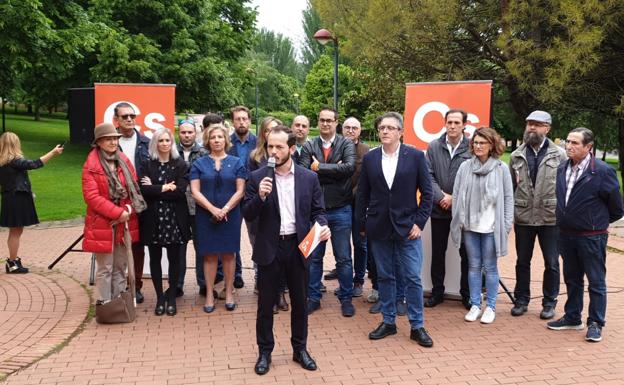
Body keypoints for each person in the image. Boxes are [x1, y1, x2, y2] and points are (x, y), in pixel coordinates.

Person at [242, 125, 330, 375]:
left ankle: (299, 349)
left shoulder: (309, 177)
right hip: (270, 246)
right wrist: (259, 197)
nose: (273, 151)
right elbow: (246, 213)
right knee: (266, 304)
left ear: (291, 148)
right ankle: (264, 352)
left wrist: (323, 227)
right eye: (270, 146)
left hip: (298, 245)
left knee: (300, 302)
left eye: (279, 147)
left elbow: (318, 212)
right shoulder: (258, 177)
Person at [357, 112, 434, 347]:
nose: (385, 131)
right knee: (385, 276)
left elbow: (428, 192)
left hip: (407, 228)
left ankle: (417, 325)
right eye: (382, 127)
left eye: (390, 127)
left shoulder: (416, 156)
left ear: (400, 132)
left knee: (412, 277)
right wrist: (361, 225)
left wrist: (419, 223)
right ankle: (388, 322)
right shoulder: (370, 159)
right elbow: (362, 195)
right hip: (378, 227)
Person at [547, 127, 623, 343]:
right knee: (572, 278)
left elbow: (616, 208)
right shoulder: (562, 167)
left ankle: (596, 323)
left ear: (588, 147)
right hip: (566, 233)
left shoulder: (601, 170)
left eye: (575, 143)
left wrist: (595, 223)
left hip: (592, 236)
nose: (568, 146)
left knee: (596, 281)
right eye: (567, 142)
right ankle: (572, 317)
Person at [451, 127, 513, 324]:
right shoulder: (465, 167)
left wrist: (506, 224)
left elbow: (508, 198)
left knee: (491, 268)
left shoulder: (501, 168)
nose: (478, 146)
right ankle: (475, 304)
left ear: (491, 145)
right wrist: (459, 220)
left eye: (482, 143)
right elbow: (457, 194)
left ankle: (491, 307)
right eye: (475, 142)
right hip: (470, 226)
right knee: (473, 266)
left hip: (491, 228)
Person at [298, 107, 356, 317]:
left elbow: (349, 168)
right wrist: (333, 169)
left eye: (329, 120)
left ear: (336, 122)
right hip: (316, 213)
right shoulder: (309, 145)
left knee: (343, 258)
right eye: (322, 120)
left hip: (341, 209)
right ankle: (313, 298)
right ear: (318, 121)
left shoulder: (346, 143)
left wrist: (319, 167)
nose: (325, 124)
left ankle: (346, 298)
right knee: (314, 257)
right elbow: (304, 173)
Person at [510, 110, 566, 319]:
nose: (532, 127)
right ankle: (521, 300)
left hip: (550, 217)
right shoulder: (517, 155)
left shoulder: (559, 155)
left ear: (547, 128)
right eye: (529, 124)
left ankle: (549, 303)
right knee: (522, 261)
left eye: (537, 124)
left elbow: (565, 186)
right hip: (524, 217)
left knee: (551, 262)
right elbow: (511, 187)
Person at [81, 123, 146, 304]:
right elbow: (92, 197)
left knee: (120, 266)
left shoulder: (124, 160)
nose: (113, 142)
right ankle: (105, 304)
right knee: (105, 268)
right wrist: (117, 213)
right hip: (103, 223)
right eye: (108, 139)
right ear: (99, 142)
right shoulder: (91, 165)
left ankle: (119, 303)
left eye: (115, 138)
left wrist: (128, 210)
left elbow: (135, 190)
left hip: (125, 221)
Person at [190, 124, 246, 313]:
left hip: (231, 215)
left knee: (230, 254)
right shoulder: (199, 163)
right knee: (210, 255)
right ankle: (209, 294)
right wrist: (213, 209)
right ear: (208, 140)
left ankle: (229, 292)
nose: (216, 140)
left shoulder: (237, 162)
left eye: (220, 137)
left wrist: (225, 209)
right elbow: (195, 191)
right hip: (206, 216)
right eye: (213, 137)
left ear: (226, 140)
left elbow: (240, 190)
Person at [138, 128, 190, 316]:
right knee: (155, 259)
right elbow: (143, 191)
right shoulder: (146, 164)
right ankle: (160, 297)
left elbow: (180, 192)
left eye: (168, 140)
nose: (165, 143)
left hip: (174, 219)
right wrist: (165, 187)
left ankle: (171, 298)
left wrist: (155, 188)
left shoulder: (181, 165)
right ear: (155, 143)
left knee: (175, 259)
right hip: (153, 219)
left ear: (172, 143)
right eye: (161, 140)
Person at [425, 109, 472, 309]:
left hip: (463, 212)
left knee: (467, 254)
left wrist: (455, 199)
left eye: (456, 122)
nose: (452, 126)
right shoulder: (434, 146)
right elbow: (428, 175)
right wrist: (442, 197)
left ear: (464, 125)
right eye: (449, 122)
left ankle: (467, 294)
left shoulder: (472, 147)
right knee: (438, 253)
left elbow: (473, 178)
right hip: (439, 209)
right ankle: (437, 292)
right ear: (445, 124)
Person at [0, 133, 63, 273]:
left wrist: (29, 192)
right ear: (15, 144)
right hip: (17, 199)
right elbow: (35, 164)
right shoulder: (14, 160)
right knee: (16, 231)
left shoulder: (3, 162)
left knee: (15, 231)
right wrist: (53, 152)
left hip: (9, 198)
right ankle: (12, 263)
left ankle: (13, 261)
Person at [114, 102, 150, 304]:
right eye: (124, 116)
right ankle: (118, 286)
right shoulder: (110, 142)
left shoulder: (146, 142)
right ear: (116, 120)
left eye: (132, 115)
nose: (129, 119)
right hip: (117, 202)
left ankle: (135, 286)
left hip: (141, 202)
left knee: (138, 246)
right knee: (118, 246)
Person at [177, 119, 208, 297]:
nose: (187, 135)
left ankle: (203, 283)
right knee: (179, 248)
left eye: (190, 132)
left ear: (195, 133)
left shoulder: (204, 153)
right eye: (183, 132)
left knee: (201, 247)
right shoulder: (171, 151)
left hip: (198, 207)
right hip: (178, 207)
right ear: (178, 133)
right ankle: (178, 284)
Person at [227, 106, 256, 289]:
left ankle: (259, 274)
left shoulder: (259, 142)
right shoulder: (227, 143)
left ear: (250, 121)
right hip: (233, 196)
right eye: (238, 119)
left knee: (257, 237)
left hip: (253, 196)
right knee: (232, 237)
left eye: (244, 119)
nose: (241, 122)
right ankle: (236, 274)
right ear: (233, 122)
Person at [342, 117, 370, 298]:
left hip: (359, 203)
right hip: (338, 203)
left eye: (354, 128)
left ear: (360, 131)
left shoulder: (366, 151)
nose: (351, 130)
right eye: (347, 127)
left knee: (360, 243)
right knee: (341, 244)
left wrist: (351, 193)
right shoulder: (336, 146)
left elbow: (367, 178)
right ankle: (343, 274)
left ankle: (359, 279)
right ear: (342, 129)